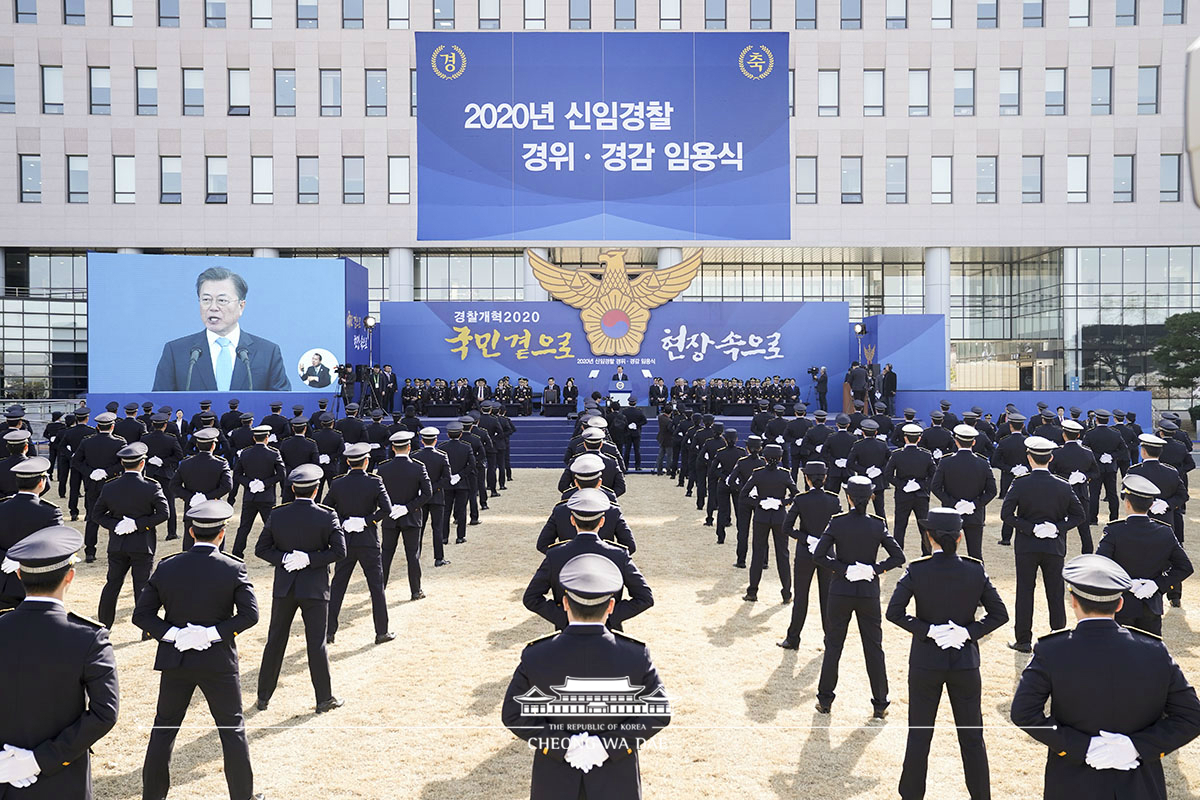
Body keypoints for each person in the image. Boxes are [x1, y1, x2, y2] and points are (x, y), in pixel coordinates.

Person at [1010, 554, 1200, 800]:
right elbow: (1191, 717)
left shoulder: (1051, 650)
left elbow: (1024, 713)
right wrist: (1137, 747)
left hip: (1072, 785)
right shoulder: (1153, 650)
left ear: (1072, 601)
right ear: (1120, 604)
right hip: (1140, 785)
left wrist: (1080, 747)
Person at [502, 553, 671, 800]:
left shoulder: (537, 655)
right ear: (611, 606)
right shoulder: (635, 655)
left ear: (566, 603)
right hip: (617, 780)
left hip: (555, 780)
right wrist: (608, 746)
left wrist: (564, 746)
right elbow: (659, 712)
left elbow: (514, 715)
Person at [133, 500, 261, 800]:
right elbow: (250, 615)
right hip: (218, 661)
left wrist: (174, 634)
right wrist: (213, 633)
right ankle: (242, 796)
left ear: (190, 532)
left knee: (164, 728)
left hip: (176, 659)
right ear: (222, 534)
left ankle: (152, 796)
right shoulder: (233, 567)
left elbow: (142, 615)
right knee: (232, 730)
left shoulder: (168, 566)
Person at [886, 507, 1008, 800]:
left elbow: (894, 612)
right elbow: (999, 614)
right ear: (961, 537)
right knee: (972, 737)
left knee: (919, 734)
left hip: (926, 662)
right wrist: (966, 633)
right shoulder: (974, 568)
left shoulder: (918, 569)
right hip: (964, 662)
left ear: (929, 538)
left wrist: (927, 630)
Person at [0, 525, 120, 797]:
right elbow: (104, 713)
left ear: (19, 575)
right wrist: (40, 760)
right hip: (63, 781)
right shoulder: (89, 638)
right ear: (70, 576)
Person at [254, 463, 347, 714]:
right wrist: (311, 559)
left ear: (293, 488)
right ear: (317, 490)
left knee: (275, 641)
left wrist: (286, 558)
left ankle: (263, 697)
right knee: (316, 644)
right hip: (315, 588)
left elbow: (261, 549)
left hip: (285, 586)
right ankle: (324, 699)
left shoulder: (278, 513)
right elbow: (339, 551)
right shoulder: (327, 515)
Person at [814, 476, 906, 717]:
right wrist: (874, 569)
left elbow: (819, 556)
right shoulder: (877, 524)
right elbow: (898, 557)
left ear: (849, 497)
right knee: (874, 648)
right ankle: (880, 704)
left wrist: (843, 569)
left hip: (841, 591)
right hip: (867, 592)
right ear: (872, 497)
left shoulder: (838, 523)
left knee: (833, 645)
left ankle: (825, 701)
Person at [1000, 436, 1088, 653]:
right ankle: (1058, 636)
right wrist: (1057, 527)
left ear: (1029, 458)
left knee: (1025, 591)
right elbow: (1079, 516)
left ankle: (1023, 640)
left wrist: (1030, 528)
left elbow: (1006, 515)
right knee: (1055, 592)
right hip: (1054, 546)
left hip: (1027, 547)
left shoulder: (1020, 483)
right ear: (1050, 458)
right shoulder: (1063, 485)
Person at [523, 490, 653, 632]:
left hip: (567, 634)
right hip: (608, 634)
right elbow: (645, 598)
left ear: (572, 520)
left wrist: (566, 618)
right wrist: (607, 616)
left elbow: (531, 598)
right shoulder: (618, 555)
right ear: (602, 521)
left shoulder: (556, 555)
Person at [153, 266, 290, 391]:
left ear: (241, 306)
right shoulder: (176, 352)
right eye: (206, 300)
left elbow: (282, 405)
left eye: (222, 300)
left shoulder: (267, 353)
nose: (213, 307)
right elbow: (159, 405)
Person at [1095, 475, 1193, 636]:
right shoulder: (1165, 532)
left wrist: (1126, 584)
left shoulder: (1114, 530)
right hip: (1151, 606)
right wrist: (1157, 585)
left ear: (1127, 503)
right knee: (1150, 657)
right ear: (1151, 505)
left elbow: (1099, 565)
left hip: (1121, 604)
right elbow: (1184, 568)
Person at [92, 442, 170, 632]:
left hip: (118, 544)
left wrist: (115, 525)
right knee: (142, 587)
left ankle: (104, 625)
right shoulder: (151, 486)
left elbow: (97, 515)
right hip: (142, 544)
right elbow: (163, 513)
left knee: (112, 584)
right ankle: (147, 629)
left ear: (122, 463)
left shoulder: (110, 486)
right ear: (142, 463)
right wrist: (139, 524)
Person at [323, 442, 395, 644]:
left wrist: (343, 522)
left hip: (345, 540)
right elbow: (386, 510)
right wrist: (366, 520)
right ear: (366, 461)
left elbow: (326, 509)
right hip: (368, 541)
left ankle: (329, 632)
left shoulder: (337, 483)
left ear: (347, 461)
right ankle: (381, 632)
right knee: (376, 588)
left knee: (338, 586)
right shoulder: (375, 482)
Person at [778, 461, 841, 650]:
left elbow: (787, 527)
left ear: (806, 478)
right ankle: (830, 639)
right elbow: (838, 528)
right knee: (827, 598)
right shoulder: (833, 499)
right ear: (825, 478)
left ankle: (793, 638)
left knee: (801, 596)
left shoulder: (801, 499)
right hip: (827, 553)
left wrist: (806, 539)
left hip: (806, 553)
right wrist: (824, 540)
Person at [739, 444, 799, 603]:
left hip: (761, 517)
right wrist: (782, 502)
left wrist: (759, 502)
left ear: (764, 457)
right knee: (783, 555)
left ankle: (752, 592)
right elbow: (797, 496)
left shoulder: (758, 474)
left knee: (758, 554)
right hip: (780, 517)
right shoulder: (785, 475)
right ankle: (787, 594)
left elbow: (743, 496)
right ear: (780, 459)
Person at [376, 431, 433, 599]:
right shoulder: (418, 467)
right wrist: (408, 508)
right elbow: (427, 494)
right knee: (412, 555)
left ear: (393, 448)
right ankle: (415, 591)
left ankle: (380, 590)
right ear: (409, 447)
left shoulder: (383, 467)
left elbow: (377, 493)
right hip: (411, 516)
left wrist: (389, 508)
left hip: (390, 517)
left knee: (386, 554)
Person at [0, 458, 63, 608]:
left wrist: (8, 556)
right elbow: (55, 548)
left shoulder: (2, 508)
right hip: (37, 582)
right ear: (41, 483)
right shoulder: (50, 512)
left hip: (3, 580)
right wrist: (22, 558)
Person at [930, 425, 998, 561]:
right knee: (975, 555)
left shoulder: (946, 461)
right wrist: (974, 504)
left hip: (950, 515)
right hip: (975, 514)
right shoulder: (983, 463)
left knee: (946, 554)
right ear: (973, 442)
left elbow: (935, 487)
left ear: (956, 441)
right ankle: (979, 581)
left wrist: (954, 504)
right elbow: (992, 491)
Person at [170, 428, 234, 552]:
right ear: (213, 445)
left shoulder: (186, 463)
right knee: (216, 551)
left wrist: (190, 497)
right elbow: (227, 486)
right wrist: (208, 497)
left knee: (189, 550)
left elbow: (174, 485)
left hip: (192, 510)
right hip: (214, 511)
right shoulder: (221, 463)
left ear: (197, 445)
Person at [885, 423, 937, 555]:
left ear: (905, 437)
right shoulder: (926, 455)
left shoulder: (897, 455)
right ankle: (927, 553)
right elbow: (934, 475)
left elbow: (888, 475)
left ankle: (897, 554)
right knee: (924, 526)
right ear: (919, 438)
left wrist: (902, 485)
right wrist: (921, 485)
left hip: (903, 495)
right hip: (921, 495)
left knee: (900, 525)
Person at [413, 426, 453, 567]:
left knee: (419, 528)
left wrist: (424, 490)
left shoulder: (415, 456)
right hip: (437, 496)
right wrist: (433, 488)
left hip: (420, 498)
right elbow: (447, 479)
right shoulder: (442, 456)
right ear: (435, 440)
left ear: (422, 441)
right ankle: (439, 558)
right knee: (437, 528)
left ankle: (415, 557)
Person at [437, 422, 475, 544]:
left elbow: (439, 466)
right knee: (462, 510)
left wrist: (448, 476)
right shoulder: (466, 447)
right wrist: (460, 475)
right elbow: (472, 465)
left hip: (447, 484)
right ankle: (460, 536)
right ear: (460, 434)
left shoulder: (442, 447)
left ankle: (444, 537)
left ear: (448, 435)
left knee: (446, 511)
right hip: (462, 483)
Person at [622, 398, 646, 472]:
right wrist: (637, 425)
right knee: (637, 450)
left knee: (627, 450)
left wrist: (627, 425)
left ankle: (625, 466)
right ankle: (637, 466)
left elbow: (621, 421)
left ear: (629, 403)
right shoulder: (639, 411)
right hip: (636, 433)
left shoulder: (625, 411)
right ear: (635, 402)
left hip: (627, 433)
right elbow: (644, 421)